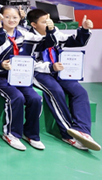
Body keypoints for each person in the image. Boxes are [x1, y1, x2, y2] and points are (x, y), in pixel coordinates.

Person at [30, 9, 99, 151]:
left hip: (58, 70)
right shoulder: (29, 38)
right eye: (44, 22)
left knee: (80, 92)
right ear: (33, 24)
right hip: (39, 72)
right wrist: (50, 67)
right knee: (56, 91)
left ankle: (82, 131)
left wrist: (84, 29)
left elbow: (75, 41)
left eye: (49, 20)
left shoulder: (55, 32)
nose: (49, 24)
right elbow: (29, 62)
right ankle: (68, 134)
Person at [0, 6, 44, 151]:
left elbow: (46, 41)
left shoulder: (26, 35)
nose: (11, 20)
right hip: (0, 77)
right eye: (7, 17)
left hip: (21, 76)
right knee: (17, 97)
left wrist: (50, 30)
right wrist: (1, 66)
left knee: (35, 99)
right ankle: (11, 134)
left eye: (15, 17)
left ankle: (31, 134)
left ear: (20, 18)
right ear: (0, 18)